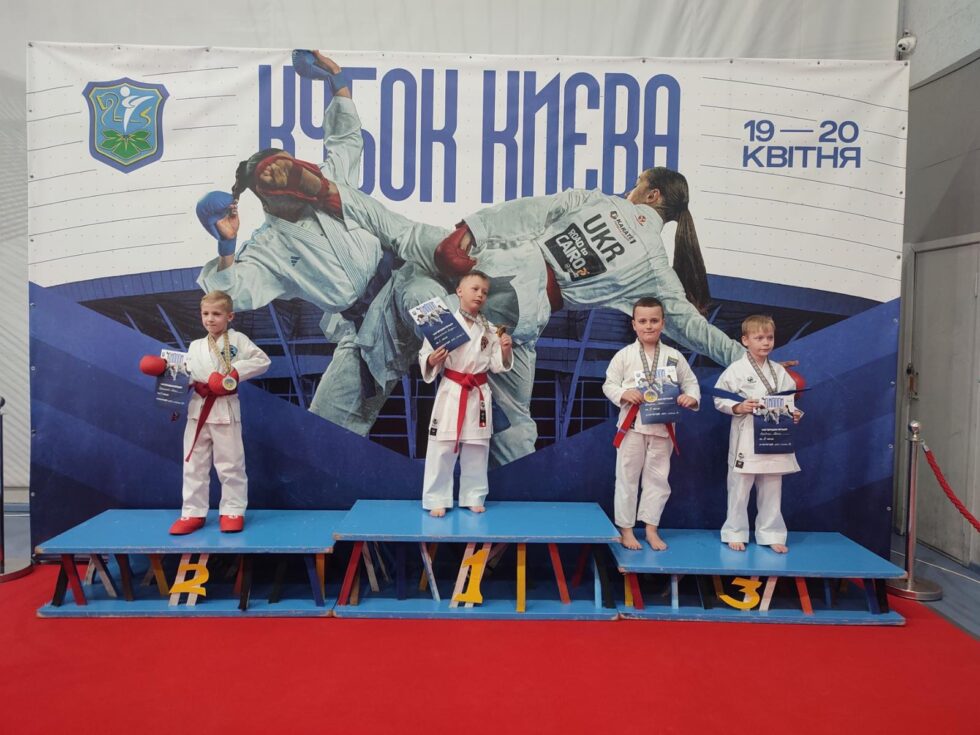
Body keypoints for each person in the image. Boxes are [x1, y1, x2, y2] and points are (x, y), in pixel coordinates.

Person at [273, 164, 746, 466]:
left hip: (495, 269)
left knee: (408, 266)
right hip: (526, 318)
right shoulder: (656, 269)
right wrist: (747, 360)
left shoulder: (599, 202)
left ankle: (438, 317)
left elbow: (526, 213)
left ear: (653, 194)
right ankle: (521, 494)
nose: (632, 187)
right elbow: (691, 326)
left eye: (639, 182)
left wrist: (470, 231)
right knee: (515, 422)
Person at [193, 50, 413, 435]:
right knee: (326, 424)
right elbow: (233, 293)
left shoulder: (328, 184)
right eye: (280, 179)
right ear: (266, 198)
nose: (293, 180)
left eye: (293, 169)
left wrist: (336, 77)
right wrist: (227, 246)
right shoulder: (268, 249)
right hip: (366, 328)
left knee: (470, 332)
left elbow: (345, 139)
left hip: (406, 282)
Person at [140, 291, 271, 534]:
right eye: (206, 314)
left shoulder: (238, 340)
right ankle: (193, 513)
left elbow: (262, 361)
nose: (210, 319)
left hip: (225, 408)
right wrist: (165, 369)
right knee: (193, 464)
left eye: (216, 314)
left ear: (229, 316)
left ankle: (232, 510)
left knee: (230, 463)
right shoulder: (196, 346)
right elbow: (189, 374)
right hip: (197, 408)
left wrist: (234, 374)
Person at [603, 297, 700, 551]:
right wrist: (624, 393)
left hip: (662, 427)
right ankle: (626, 530)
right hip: (632, 427)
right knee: (627, 478)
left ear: (663, 323)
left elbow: (691, 383)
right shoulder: (624, 356)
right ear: (634, 324)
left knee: (658, 480)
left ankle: (651, 529)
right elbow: (609, 384)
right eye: (643, 321)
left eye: (654, 321)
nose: (649, 326)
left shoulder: (674, 357)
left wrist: (691, 398)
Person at [418, 272, 513, 516]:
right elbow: (425, 355)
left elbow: (497, 365)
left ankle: (473, 495)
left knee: (477, 448)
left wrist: (504, 350)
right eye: (475, 289)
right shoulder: (440, 323)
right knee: (442, 446)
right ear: (459, 291)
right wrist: (432, 359)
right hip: (452, 389)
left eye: (484, 292)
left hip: (477, 393)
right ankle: (436, 497)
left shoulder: (491, 330)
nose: (480, 294)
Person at [713, 315, 802, 553]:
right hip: (746, 435)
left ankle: (772, 533)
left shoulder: (779, 371)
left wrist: (794, 413)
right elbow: (719, 397)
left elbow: (788, 400)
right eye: (759, 338)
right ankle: (735, 531)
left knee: (772, 487)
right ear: (745, 340)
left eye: (769, 338)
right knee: (739, 487)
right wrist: (738, 407)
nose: (765, 342)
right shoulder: (736, 369)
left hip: (774, 435)